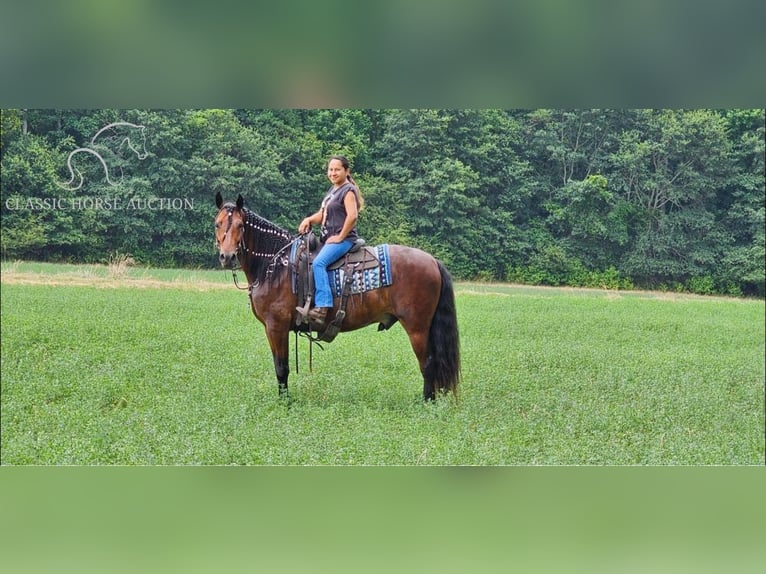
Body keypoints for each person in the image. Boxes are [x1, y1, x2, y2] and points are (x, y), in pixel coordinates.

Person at [297, 155, 364, 328]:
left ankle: (323, 307)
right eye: (330, 169)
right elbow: (323, 214)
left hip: (344, 240)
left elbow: (353, 216)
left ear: (346, 171)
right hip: (328, 239)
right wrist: (309, 219)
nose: (333, 173)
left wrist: (341, 236)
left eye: (337, 169)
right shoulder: (333, 190)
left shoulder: (348, 190)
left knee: (319, 263)